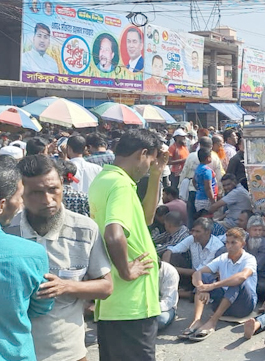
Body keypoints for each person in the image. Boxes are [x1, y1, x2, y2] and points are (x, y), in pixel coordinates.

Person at [10, 156, 114, 360]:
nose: (47, 200)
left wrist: (66, 287)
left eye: (53, 190)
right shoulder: (8, 232)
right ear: (21, 193)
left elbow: (106, 287)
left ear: (62, 185)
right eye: (36, 193)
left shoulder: (85, 229)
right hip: (19, 352)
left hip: (70, 352)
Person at [88, 129, 167, 361]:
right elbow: (114, 234)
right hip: (131, 305)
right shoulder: (121, 186)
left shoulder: (106, 180)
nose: (150, 165)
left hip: (116, 305)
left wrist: (156, 174)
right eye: (150, 160)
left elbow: (146, 219)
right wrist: (127, 270)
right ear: (143, 153)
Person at [0, 156, 54, 361]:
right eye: (19, 197)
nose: (21, 203)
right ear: (1, 205)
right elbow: (41, 306)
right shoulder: (32, 254)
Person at [182, 227, 257, 342]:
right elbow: (198, 273)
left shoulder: (249, 259)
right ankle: (197, 320)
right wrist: (202, 287)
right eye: (227, 242)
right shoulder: (223, 258)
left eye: (233, 243)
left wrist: (212, 286)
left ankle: (212, 322)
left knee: (237, 282)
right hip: (223, 303)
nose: (229, 246)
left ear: (242, 244)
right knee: (203, 277)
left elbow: (242, 277)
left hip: (243, 306)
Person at [162, 217, 225, 286]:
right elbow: (170, 250)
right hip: (191, 273)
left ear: (207, 232)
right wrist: (166, 267)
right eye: (193, 231)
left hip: (205, 279)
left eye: (198, 231)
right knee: (173, 256)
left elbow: (199, 271)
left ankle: (186, 292)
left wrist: (172, 269)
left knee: (204, 275)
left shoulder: (216, 247)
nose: (194, 234)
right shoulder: (192, 238)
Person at [246, 214, 265, 298]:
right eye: (255, 230)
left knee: (261, 287)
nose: (258, 233)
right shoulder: (243, 240)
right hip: (241, 271)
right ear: (248, 230)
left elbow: (256, 266)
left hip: (259, 276)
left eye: (260, 230)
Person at [194, 148, 218, 218]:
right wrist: (213, 201)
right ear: (207, 158)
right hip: (206, 199)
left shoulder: (198, 168)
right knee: (207, 220)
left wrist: (198, 188)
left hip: (199, 198)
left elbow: (194, 180)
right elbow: (208, 188)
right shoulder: (206, 171)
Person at [157, 260, 180, 331]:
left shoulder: (169, 271)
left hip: (161, 309)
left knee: (161, 319)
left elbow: (168, 303)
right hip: (137, 309)